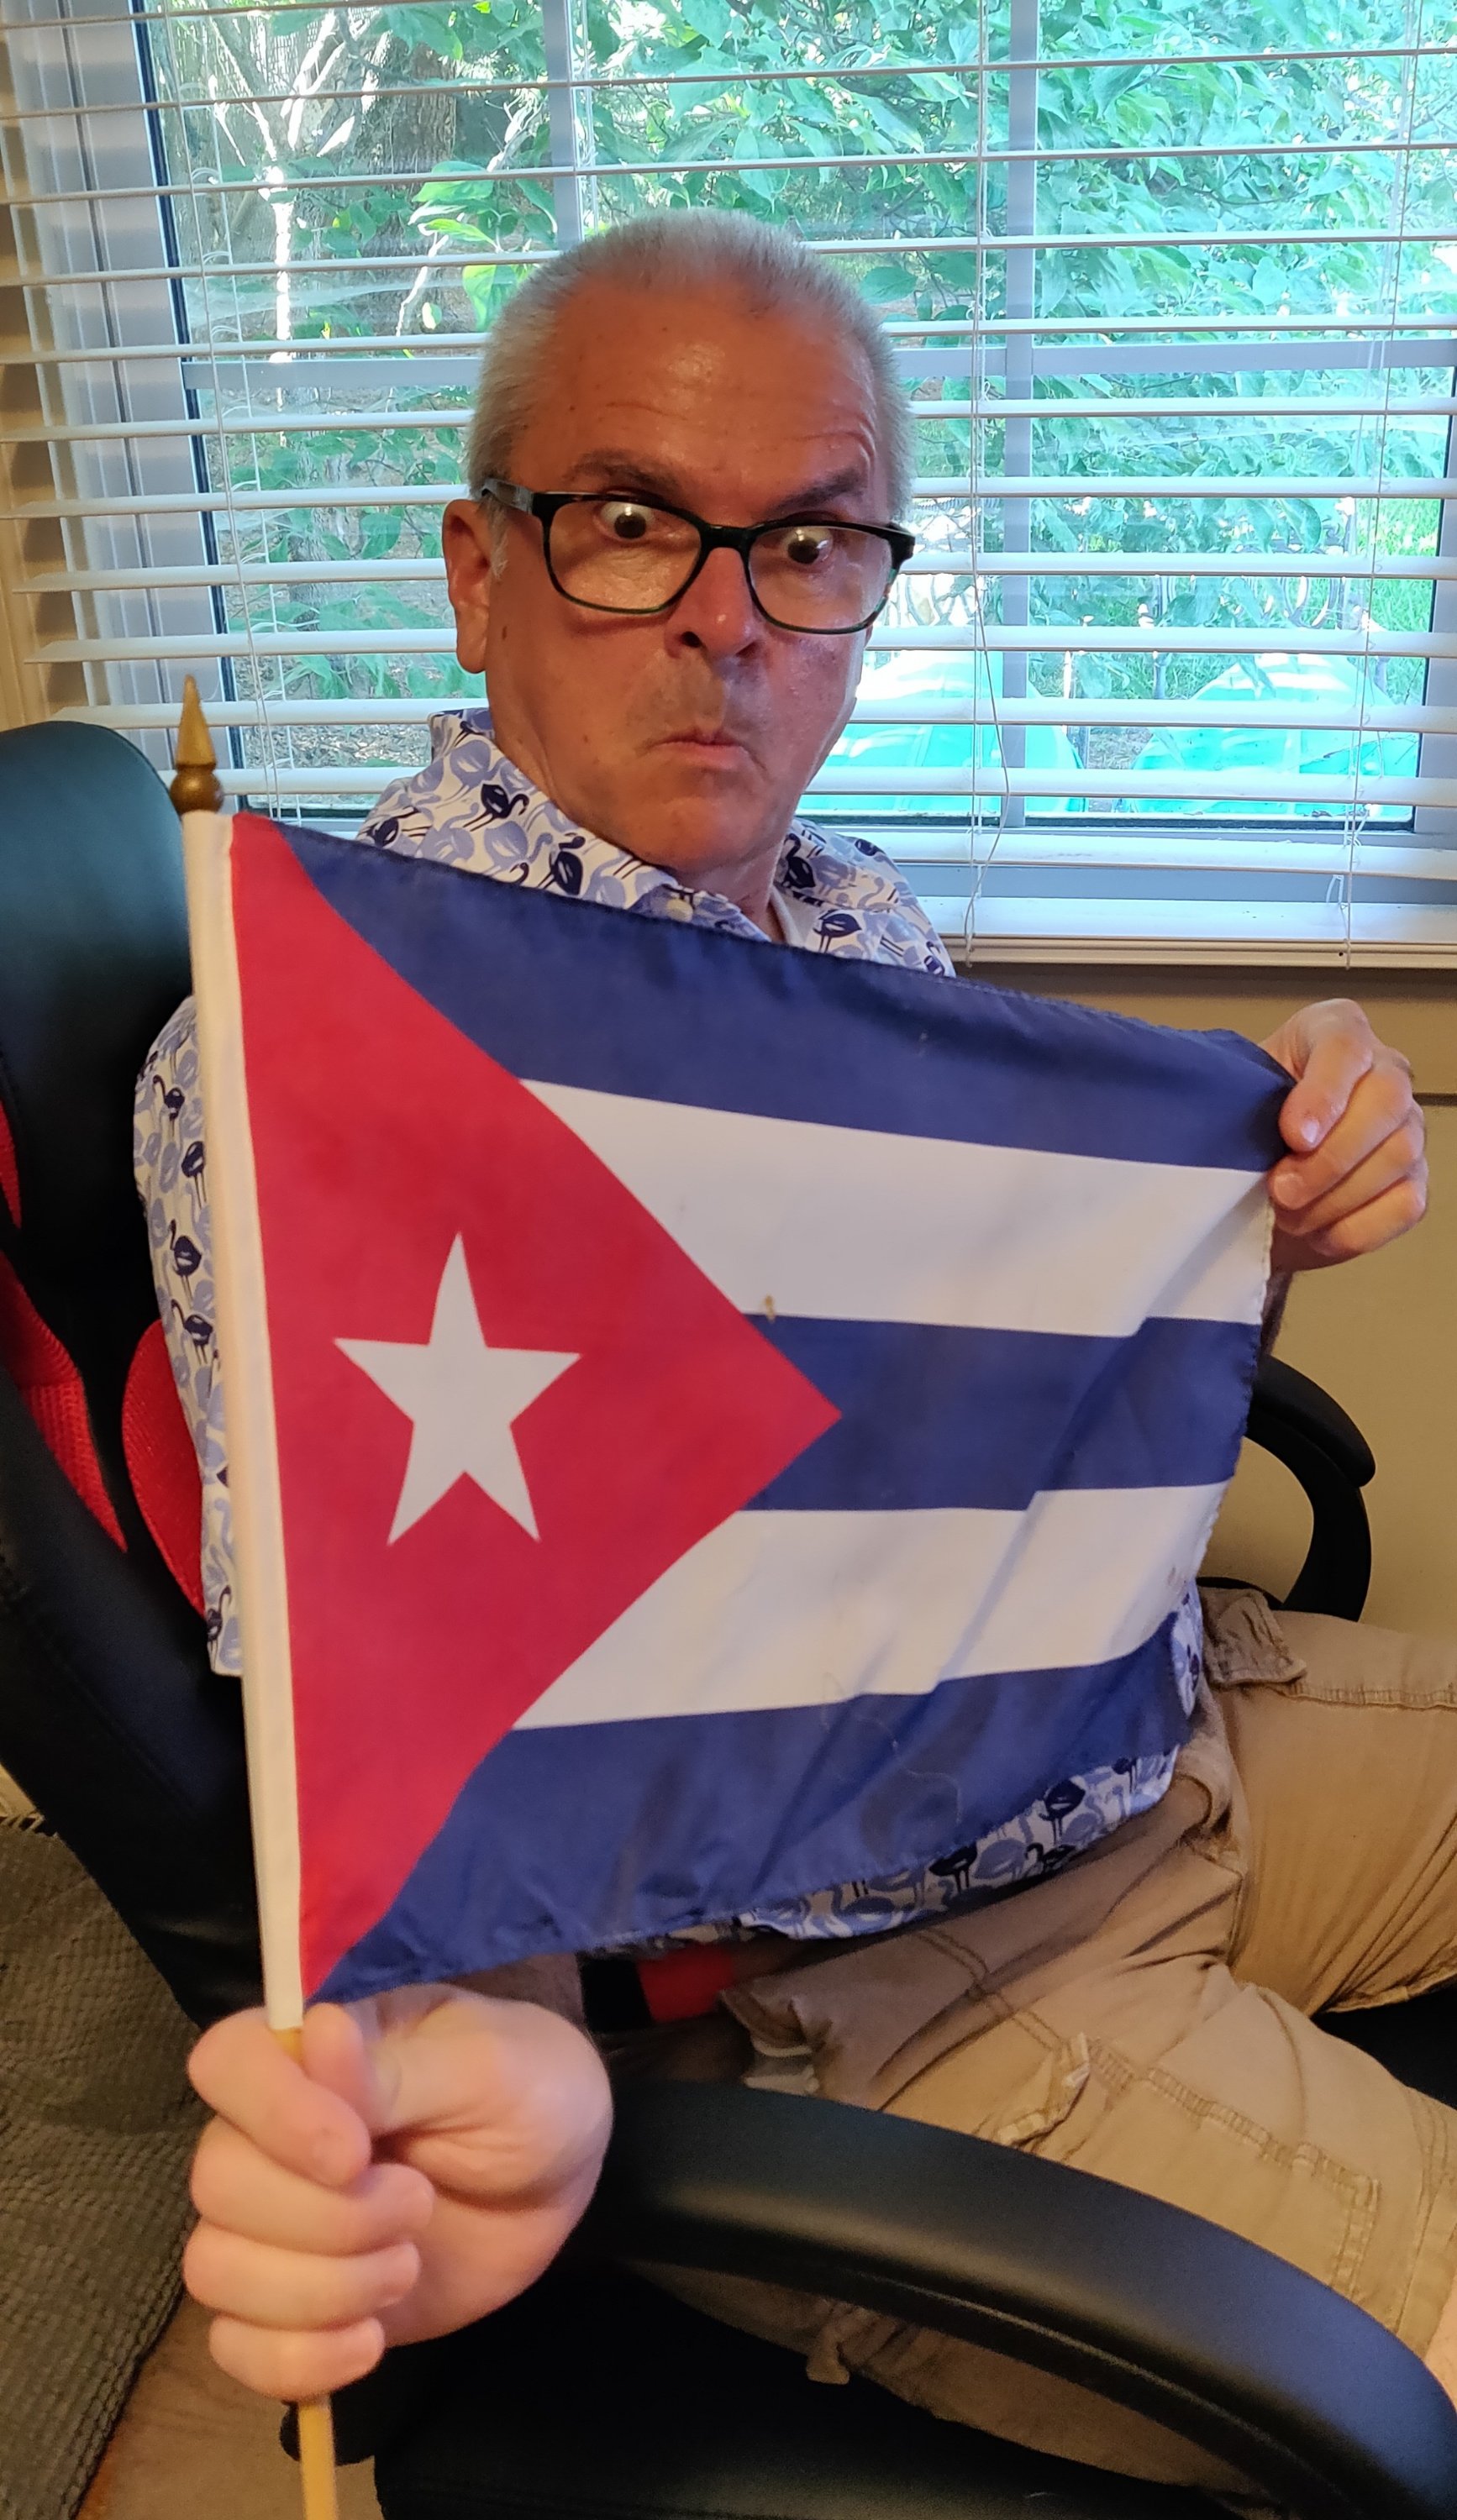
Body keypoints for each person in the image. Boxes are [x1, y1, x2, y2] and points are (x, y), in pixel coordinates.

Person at [139, 211, 1444, 2490]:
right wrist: (491, 2076)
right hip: (879, 2000)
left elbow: (996, 1410)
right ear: (478, 570)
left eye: (812, 544)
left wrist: (1272, 1203)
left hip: (1154, 1736)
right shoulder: (337, 1076)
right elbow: (416, 1738)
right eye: (634, 524)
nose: (731, 621)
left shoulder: (842, 919)